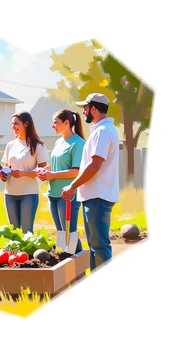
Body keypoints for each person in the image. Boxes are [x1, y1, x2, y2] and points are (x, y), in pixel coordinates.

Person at [61, 93, 120, 270]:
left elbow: (94, 165)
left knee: (100, 247)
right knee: (96, 247)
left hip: (97, 197)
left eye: (85, 108)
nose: (84, 111)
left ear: (93, 109)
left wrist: (72, 186)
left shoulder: (102, 132)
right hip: (96, 196)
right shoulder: (104, 130)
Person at [36, 109, 85, 253]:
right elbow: (56, 164)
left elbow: (76, 171)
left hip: (68, 195)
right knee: (61, 234)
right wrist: (45, 170)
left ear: (66, 123)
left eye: (55, 123)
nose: (53, 126)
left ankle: (80, 267)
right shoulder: (58, 141)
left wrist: (52, 175)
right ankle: (67, 270)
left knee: (69, 234)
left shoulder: (78, 143)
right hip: (53, 194)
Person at [0, 111, 48, 233]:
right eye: (12, 124)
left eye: (16, 124)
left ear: (26, 124)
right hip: (10, 193)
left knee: (27, 231)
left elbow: (43, 172)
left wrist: (24, 173)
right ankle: (15, 253)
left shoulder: (38, 146)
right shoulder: (10, 145)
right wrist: (3, 175)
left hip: (29, 194)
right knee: (13, 231)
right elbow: (7, 168)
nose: (13, 127)